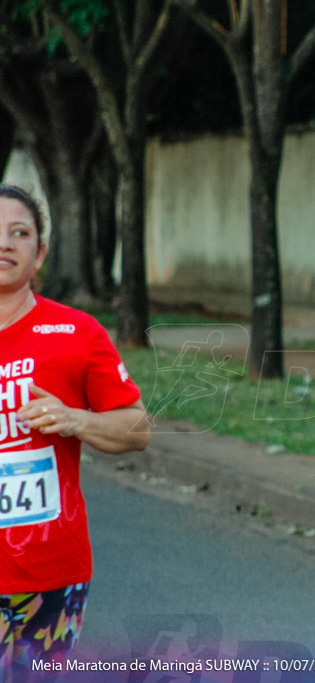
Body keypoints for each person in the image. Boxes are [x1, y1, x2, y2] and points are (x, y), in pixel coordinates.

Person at [0, 184, 150, 674]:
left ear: (39, 253)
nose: (5, 244)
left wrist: (75, 418)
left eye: (19, 233)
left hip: (47, 575)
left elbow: (137, 428)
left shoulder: (77, 334)